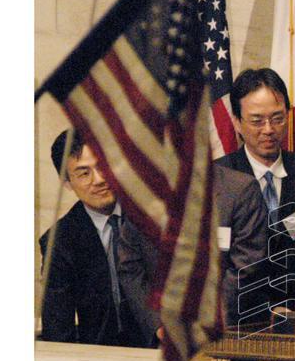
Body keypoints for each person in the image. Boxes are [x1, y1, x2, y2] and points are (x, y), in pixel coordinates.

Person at [216, 68, 295, 304]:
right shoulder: (218, 178)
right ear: (237, 122)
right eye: (257, 121)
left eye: (277, 118)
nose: (268, 130)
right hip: (236, 313)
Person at [115, 163, 270, 341]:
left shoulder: (240, 189)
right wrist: (157, 323)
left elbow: (246, 267)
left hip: (226, 335)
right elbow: (130, 267)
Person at [39, 129, 147, 347]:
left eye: (103, 166)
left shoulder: (150, 216)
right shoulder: (59, 241)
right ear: (67, 183)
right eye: (84, 173)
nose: (99, 180)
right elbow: (58, 329)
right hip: (98, 355)